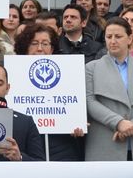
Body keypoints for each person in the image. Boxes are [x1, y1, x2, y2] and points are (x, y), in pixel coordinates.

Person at [85, 18, 133, 161]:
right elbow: (90, 102)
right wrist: (118, 123)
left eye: (118, 36)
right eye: (109, 37)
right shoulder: (91, 68)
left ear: (129, 38)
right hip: (105, 142)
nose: (113, 41)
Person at [18, 22, 84, 161]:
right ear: (25, 46)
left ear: (52, 48)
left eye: (45, 44)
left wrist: (78, 122)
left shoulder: (69, 72)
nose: (40, 48)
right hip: (25, 145)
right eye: (34, 43)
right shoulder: (13, 72)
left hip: (62, 145)